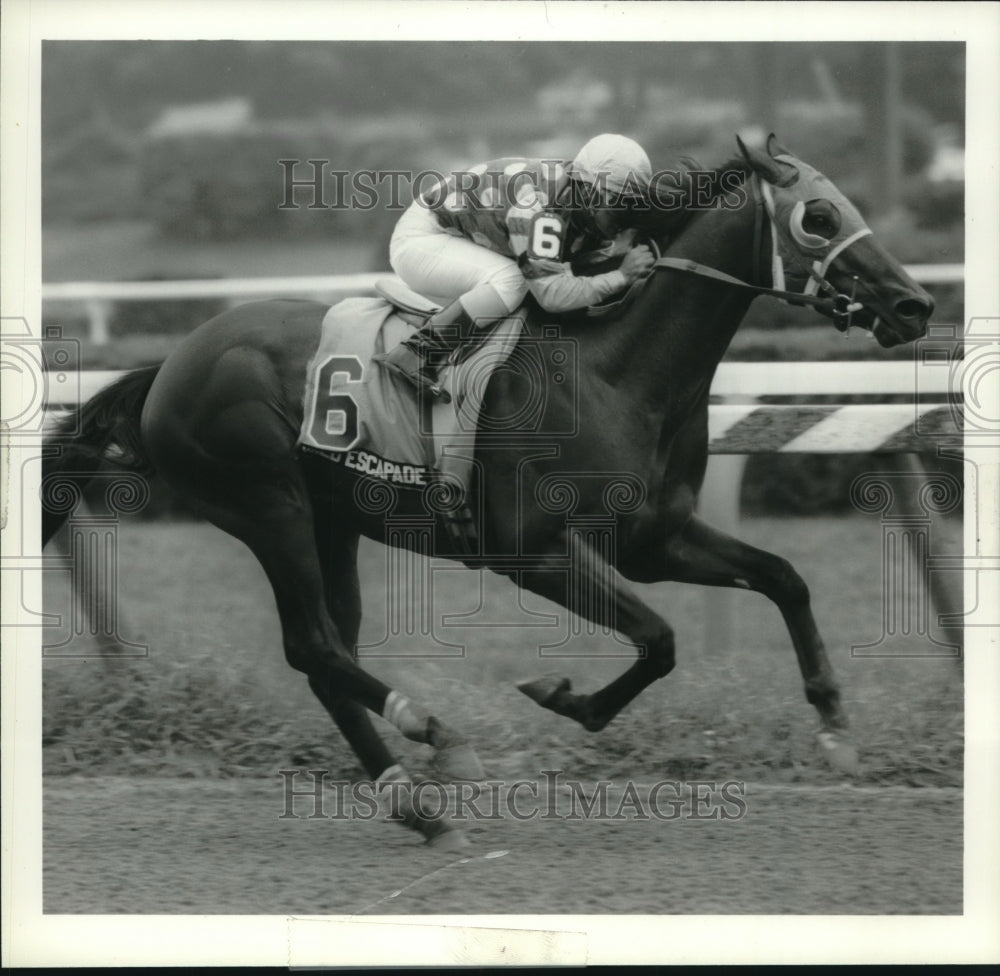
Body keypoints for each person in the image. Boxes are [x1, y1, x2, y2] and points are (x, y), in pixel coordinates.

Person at [373, 133, 657, 397]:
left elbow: (570, 260)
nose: (625, 215)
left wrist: (608, 253)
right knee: (513, 281)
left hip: (458, 233)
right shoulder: (538, 209)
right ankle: (416, 351)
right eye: (620, 204)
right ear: (591, 194)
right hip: (423, 238)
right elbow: (552, 295)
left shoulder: (574, 194)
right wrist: (621, 275)